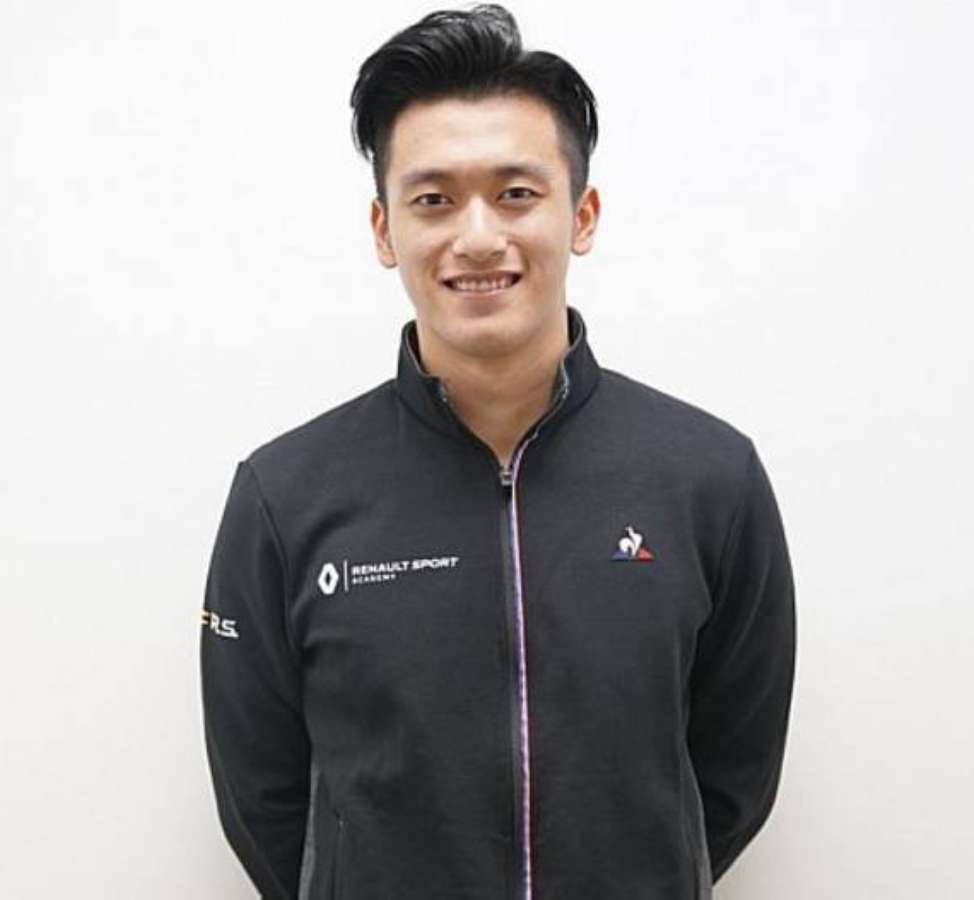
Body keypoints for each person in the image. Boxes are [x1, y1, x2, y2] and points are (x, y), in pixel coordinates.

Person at [199, 5, 796, 899]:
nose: (477, 237)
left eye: (516, 193)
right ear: (384, 230)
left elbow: (733, 769)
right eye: (433, 199)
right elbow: (262, 795)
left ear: (581, 214)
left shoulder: (709, 478)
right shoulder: (284, 496)